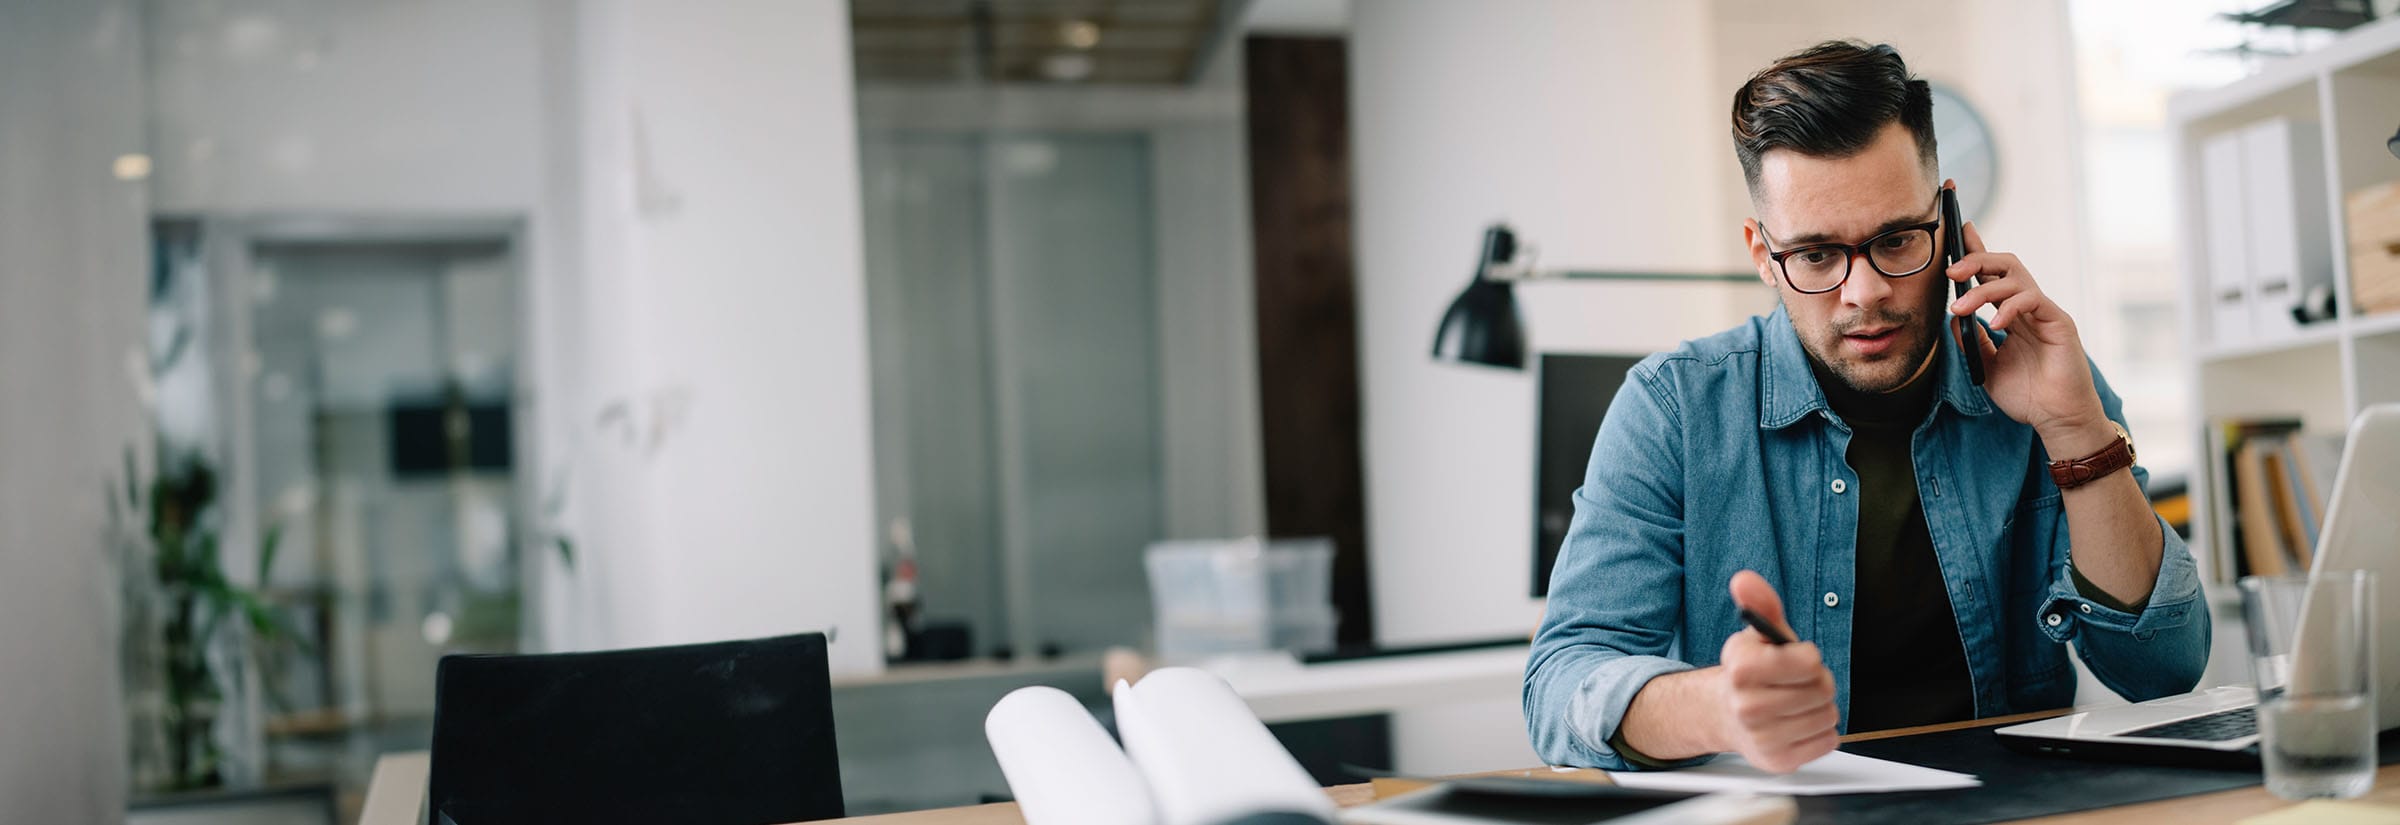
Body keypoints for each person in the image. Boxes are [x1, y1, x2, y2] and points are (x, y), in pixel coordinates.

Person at [1523, 41, 2208, 774]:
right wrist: (1718, 706)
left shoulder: (2049, 379)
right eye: (1816, 255)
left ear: (1946, 221)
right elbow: (1561, 682)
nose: (1865, 292)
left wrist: (2076, 431)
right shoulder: (1673, 409)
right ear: (1763, 254)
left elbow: (2164, 669)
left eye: (1895, 239)